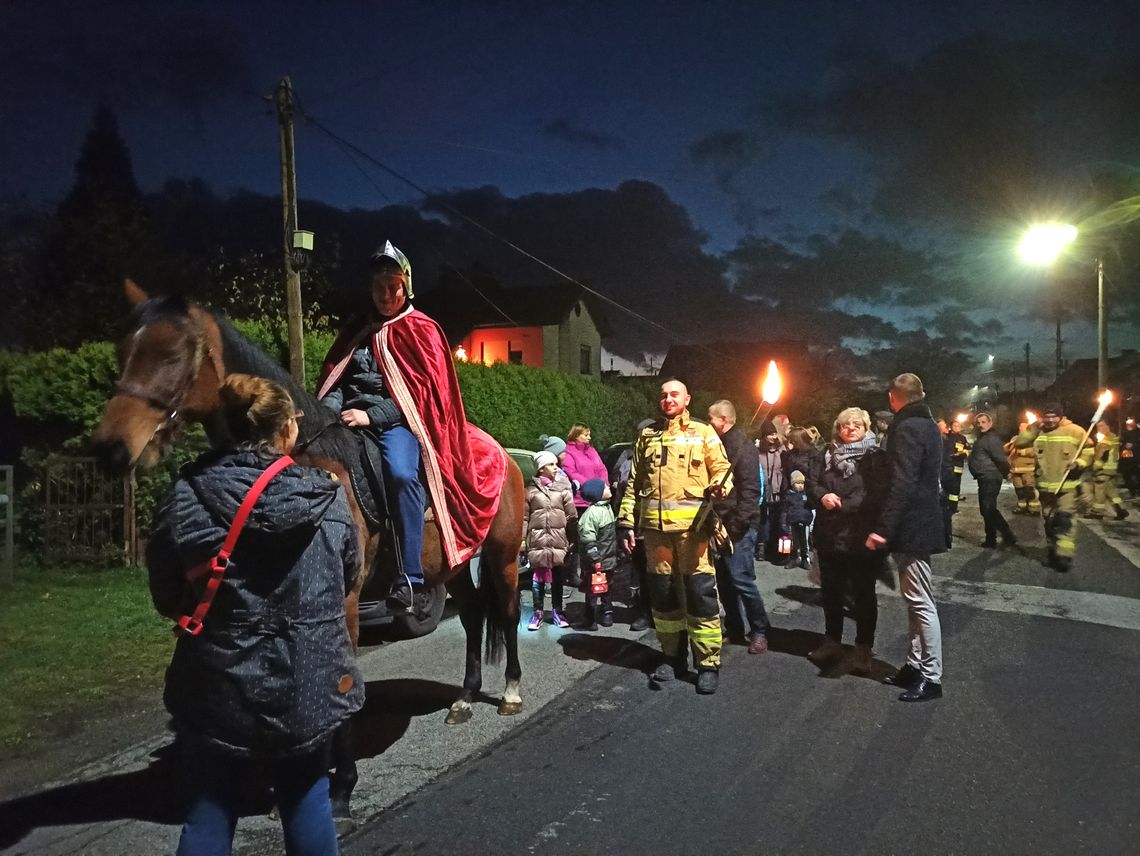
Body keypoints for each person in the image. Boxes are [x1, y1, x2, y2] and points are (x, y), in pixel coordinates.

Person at [147, 374, 363, 855]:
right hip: (307, 684)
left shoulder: (187, 494)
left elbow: (166, 592)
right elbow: (349, 579)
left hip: (217, 684)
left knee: (209, 807)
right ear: (286, 429)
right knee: (308, 797)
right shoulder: (326, 498)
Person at [317, 241, 505, 613]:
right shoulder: (358, 329)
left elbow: (424, 395)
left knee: (402, 473)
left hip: (396, 424)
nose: (386, 295)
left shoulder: (422, 330)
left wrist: (372, 416)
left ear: (406, 288)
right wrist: (327, 411)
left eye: (393, 287)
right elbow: (336, 381)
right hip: (347, 422)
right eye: (379, 288)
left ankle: (410, 577)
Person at [619, 379, 731, 695]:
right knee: (664, 598)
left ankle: (707, 664)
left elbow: (724, 471)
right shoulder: (647, 436)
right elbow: (633, 484)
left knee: (700, 597)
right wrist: (625, 523)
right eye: (664, 395)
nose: (668, 399)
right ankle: (672, 657)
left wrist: (720, 487)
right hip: (655, 536)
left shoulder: (703, 433)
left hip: (692, 533)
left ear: (687, 399)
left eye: (674, 394)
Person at [866, 373, 946, 702]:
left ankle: (931, 675)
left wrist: (883, 528)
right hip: (920, 520)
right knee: (914, 599)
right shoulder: (927, 424)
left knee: (921, 602)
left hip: (912, 524)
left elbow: (902, 483)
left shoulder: (907, 427)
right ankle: (914, 665)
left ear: (893, 397)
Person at [808, 407, 890, 675]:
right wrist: (822, 496)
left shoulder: (876, 457)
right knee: (831, 592)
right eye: (845, 424)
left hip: (859, 536)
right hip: (829, 535)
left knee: (863, 595)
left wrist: (843, 504)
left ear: (866, 428)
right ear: (837, 428)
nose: (851, 428)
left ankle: (863, 649)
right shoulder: (825, 454)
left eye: (857, 424)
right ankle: (832, 641)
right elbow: (812, 482)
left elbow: (876, 494)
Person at [707, 400, 770, 654]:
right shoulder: (717, 445)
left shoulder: (742, 447)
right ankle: (734, 628)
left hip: (739, 524)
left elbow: (750, 490)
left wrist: (737, 524)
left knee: (741, 578)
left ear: (723, 420)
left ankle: (759, 631)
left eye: (711, 418)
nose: (708, 423)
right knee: (723, 580)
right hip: (719, 523)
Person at [1015, 402, 1093, 572]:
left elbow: (1089, 451)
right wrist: (1034, 427)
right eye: (1047, 417)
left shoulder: (1076, 431)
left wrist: (1079, 463)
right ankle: (1053, 552)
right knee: (1049, 523)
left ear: (1061, 416)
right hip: (1045, 489)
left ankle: (1063, 557)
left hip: (1067, 487)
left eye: (1053, 417)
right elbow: (1019, 443)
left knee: (1063, 521)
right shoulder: (1039, 431)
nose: (1050, 420)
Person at [524, 450, 578, 630]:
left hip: (558, 541)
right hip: (538, 541)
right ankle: (537, 612)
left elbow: (571, 517)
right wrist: (524, 542)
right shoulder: (530, 491)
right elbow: (524, 518)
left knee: (557, 577)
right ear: (541, 469)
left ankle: (557, 611)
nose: (556, 468)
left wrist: (572, 540)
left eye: (556, 464)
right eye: (551, 465)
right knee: (537, 579)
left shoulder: (563, 489)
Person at [968, 411, 1017, 549]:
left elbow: (1000, 458)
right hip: (985, 477)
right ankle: (995, 538)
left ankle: (1004, 536)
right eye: (978, 423)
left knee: (988, 509)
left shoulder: (991, 439)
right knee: (987, 509)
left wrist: (1007, 472)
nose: (981, 425)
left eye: (984, 422)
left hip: (989, 477)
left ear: (990, 423)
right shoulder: (984, 438)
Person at [575, 478, 619, 630]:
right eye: (605, 487)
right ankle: (591, 618)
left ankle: (607, 614)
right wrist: (595, 559)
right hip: (597, 562)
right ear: (598, 494)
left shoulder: (607, 508)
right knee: (593, 589)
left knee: (606, 587)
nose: (609, 488)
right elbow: (588, 540)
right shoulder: (592, 514)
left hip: (608, 560)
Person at [937, 418, 970, 548]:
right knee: (947, 491)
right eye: (954, 425)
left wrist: (963, 454)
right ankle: (949, 509)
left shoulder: (962, 438)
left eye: (958, 425)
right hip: (948, 468)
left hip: (957, 467)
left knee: (955, 490)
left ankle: (953, 507)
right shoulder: (947, 437)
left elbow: (968, 450)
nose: (956, 427)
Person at [756, 420, 786, 561]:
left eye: (775, 433)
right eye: (770, 434)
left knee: (776, 519)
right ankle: (761, 546)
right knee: (762, 519)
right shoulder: (757, 451)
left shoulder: (782, 451)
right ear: (764, 436)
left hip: (777, 489)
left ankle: (774, 547)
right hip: (762, 490)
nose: (773, 437)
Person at [1088, 419, 1129, 520]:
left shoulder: (1106, 440)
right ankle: (1121, 510)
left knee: (1099, 491)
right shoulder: (1113, 437)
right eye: (1098, 426)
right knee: (1111, 491)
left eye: (1101, 426)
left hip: (1103, 470)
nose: (1099, 428)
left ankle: (1097, 512)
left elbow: (1102, 456)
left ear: (1108, 426)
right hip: (1111, 470)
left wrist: (1095, 467)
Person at [781, 470, 815, 569]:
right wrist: (783, 523)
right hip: (792, 521)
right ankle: (794, 558)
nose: (800, 485)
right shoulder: (788, 495)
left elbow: (811, 508)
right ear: (792, 484)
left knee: (804, 541)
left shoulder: (806, 495)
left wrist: (809, 520)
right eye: (797, 483)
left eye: (802, 483)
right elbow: (784, 510)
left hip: (804, 522)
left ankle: (805, 559)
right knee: (793, 541)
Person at [1004, 422, 1041, 515]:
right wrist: (1010, 445)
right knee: (1019, 490)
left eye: (1023, 427)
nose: (1020, 428)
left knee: (1029, 489)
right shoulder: (1016, 438)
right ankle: (1022, 507)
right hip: (1015, 469)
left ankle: (1033, 509)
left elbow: (1035, 452)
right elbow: (1007, 450)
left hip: (1028, 469)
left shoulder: (1033, 439)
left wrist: (1021, 451)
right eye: (1020, 426)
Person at [1120, 416, 1139, 498]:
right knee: (1127, 474)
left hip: (1137, 456)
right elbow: (1121, 444)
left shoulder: (1138, 432)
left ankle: (1137, 489)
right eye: (1128, 422)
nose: (1129, 424)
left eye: (1131, 422)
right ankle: (1132, 491)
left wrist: (1134, 445)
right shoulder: (1124, 432)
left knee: (1137, 473)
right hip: (1127, 457)